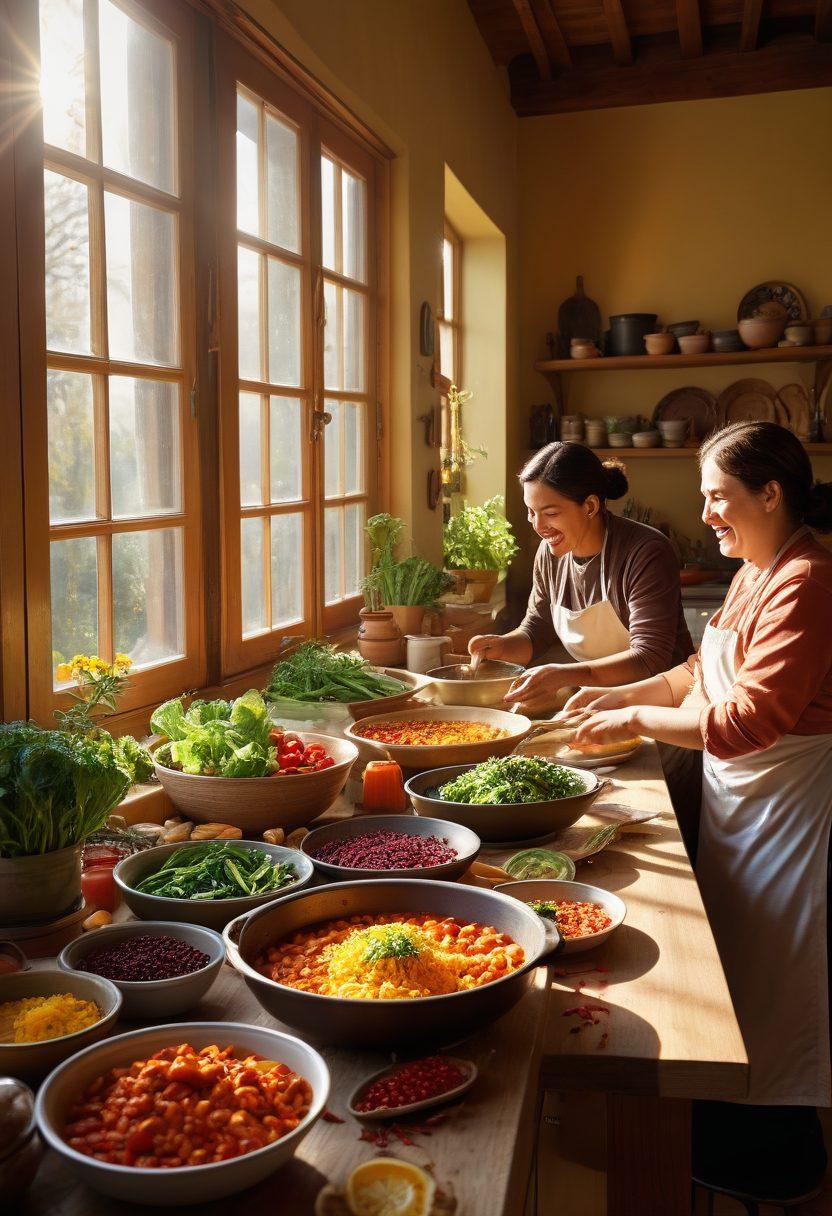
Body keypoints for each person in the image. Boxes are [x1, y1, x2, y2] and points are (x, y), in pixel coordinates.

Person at [568, 421, 832, 1199]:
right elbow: (696, 671)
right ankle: (737, 1124)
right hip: (744, 801)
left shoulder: (807, 580)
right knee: (742, 973)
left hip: (789, 809)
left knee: (780, 975)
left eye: (719, 496)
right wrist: (620, 695)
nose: (709, 512)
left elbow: (748, 720)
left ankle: (781, 1158)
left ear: (770, 493)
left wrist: (635, 722)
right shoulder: (758, 567)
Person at [468, 441, 698, 835]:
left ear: (591, 506)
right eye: (531, 511)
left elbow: (651, 657)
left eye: (550, 512)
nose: (538, 525)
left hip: (661, 720)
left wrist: (564, 675)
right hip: (594, 713)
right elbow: (535, 631)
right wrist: (500, 646)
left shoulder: (643, 551)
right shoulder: (549, 553)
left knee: (657, 832)